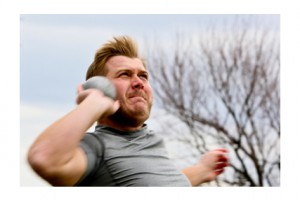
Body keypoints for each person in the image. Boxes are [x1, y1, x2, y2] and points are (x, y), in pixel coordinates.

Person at [27, 36, 229, 186]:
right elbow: (44, 159)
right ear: (99, 88)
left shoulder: (151, 143)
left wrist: (202, 170)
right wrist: (93, 104)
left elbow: (158, 182)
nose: (139, 83)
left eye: (143, 76)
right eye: (125, 75)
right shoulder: (97, 149)